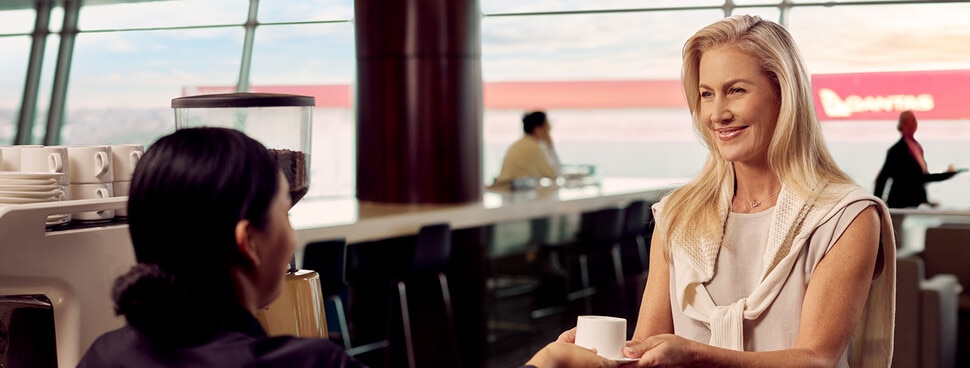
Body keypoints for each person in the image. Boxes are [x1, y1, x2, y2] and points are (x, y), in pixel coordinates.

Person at [76, 127, 612, 368]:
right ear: (250, 243)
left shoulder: (104, 353)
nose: (292, 232)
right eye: (284, 211)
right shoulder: (308, 364)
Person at [557, 15, 896, 367]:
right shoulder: (677, 213)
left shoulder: (845, 217)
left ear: (783, 94)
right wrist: (601, 356)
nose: (717, 114)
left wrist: (695, 354)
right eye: (706, 94)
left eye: (736, 90)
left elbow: (817, 359)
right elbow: (647, 344)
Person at [874, 110, 958, 208]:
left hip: (916, 203)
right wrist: (877, 206)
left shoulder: (916, 147)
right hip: (901, 203)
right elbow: (884, 178)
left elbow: (921, 178)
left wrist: (925, 199)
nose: (915, 124)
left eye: (915, 121)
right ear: (903, 124)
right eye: (912, 121)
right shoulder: (897, 150)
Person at [495, 111, 562, 184]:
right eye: (547, 127)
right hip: (514, 191)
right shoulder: (533, 147)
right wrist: (550, 147)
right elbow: (553, 175)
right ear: (537, 129)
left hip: (508, 189)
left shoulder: (520, 144)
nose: (549, 131)